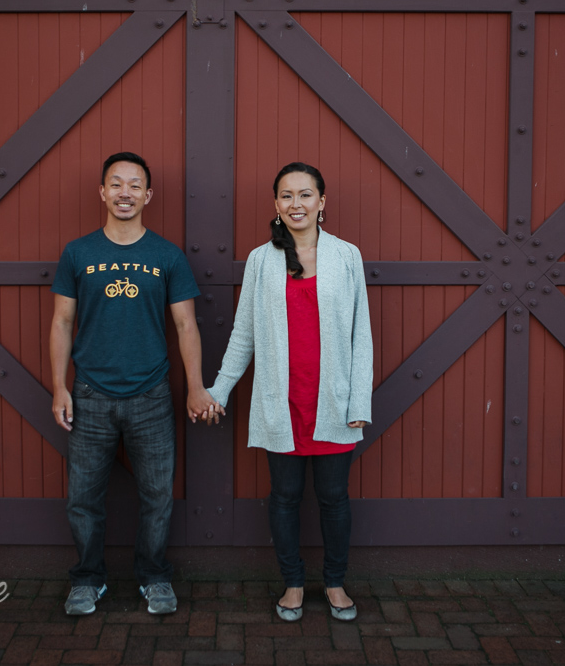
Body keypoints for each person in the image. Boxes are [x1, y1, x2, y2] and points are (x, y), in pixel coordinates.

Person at [49, 152, 216, 616]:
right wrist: (59, 387)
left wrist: (196, 387)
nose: (125, 192)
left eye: (134, 185)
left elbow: (186, 326)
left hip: (151, 395)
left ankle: (155, 577)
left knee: (158, 496)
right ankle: (87, 580)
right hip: (89, 396)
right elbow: (62, 322)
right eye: (116, 184)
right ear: (103, 192)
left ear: (148, 195)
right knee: (83, 498)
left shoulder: (166, 255)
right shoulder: (78, 252)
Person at [205, 162, 372, 622]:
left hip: (333, 404)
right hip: (282, 404)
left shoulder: (347, 256)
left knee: (334, 498)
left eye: (305, 195)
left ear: (322, 202)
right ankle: (293, 583)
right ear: (275, 204)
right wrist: (218, 390)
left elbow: (362, 335)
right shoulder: (262, 259)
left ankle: (335, 583)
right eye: (286, 195)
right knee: (284, 497)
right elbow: (244, 335)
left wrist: (359, 401)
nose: (295, 204)